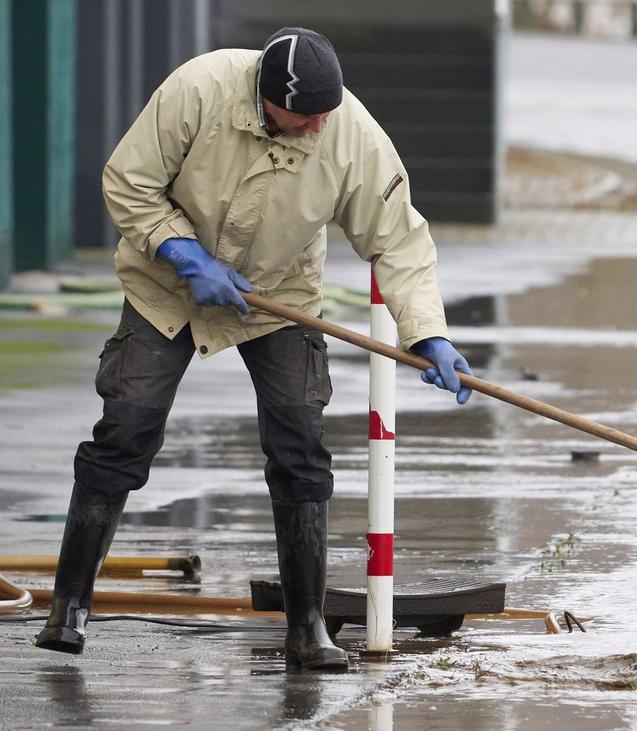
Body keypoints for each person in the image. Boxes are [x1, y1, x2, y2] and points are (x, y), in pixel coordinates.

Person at [34, 27, 472, 670]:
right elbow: (128, 180)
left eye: (329, 112)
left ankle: (307, 626)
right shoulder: (198, 90)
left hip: (279, 296)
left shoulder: (351, 135)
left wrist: (428, 332)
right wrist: (182, 253)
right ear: (267, 99)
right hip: (167, 286)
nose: (321, 126)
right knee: (125, 429)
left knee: (300, 448)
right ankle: (68, 607)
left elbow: (400, 241)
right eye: (307, 116)